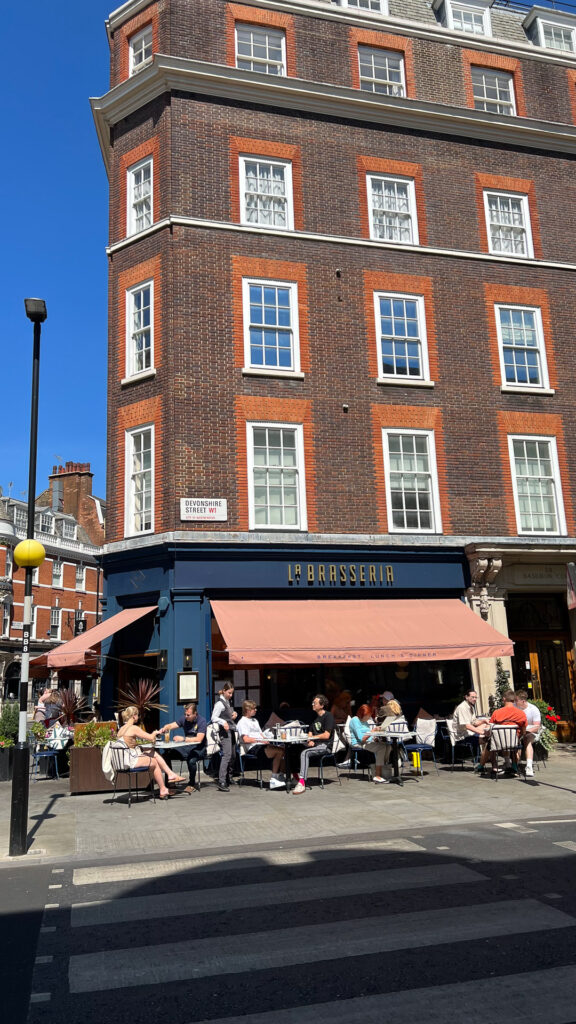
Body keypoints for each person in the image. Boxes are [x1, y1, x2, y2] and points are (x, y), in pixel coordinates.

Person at [116, 706, 187, 799]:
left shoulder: (121, 729)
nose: (138, 717)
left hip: (122, 760)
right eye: (138, 715)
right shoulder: (133, 728)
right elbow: (150, 737)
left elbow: (129, 743)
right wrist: (155, 732)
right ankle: (163, 789)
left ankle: (170, 775)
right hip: (129, 760)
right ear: (134, 716)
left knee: (152, 752)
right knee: (154, 762)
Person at [237, 700, 286, 789]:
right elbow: (246, 739)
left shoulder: (255, 720)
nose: (256, 710)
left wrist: (266, 739)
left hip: (261, 745)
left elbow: (261, 734)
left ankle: (280, 776)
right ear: (247, 710)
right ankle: (274, 779)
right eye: (253, 709)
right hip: (253, 747)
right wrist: (259, 740)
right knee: (279, 751)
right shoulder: (242, 722)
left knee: (283, 749)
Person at [293, 694, 335, 794]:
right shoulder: (315, 718)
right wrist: (310, 740)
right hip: (316, 745)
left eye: (315, 703)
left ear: (322, 705)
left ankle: (302, 783)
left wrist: (312, 738)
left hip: (326, 746)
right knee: (292, 749)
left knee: (305, 753)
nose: (313, 704)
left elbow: (326, 735)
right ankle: (294, 777)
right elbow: (310, 732)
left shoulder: (328, 716)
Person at [479, 690, 527, 776]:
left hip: (498, 743)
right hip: (513, 742)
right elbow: (524, 728)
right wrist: (521, 736)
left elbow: (491, 727)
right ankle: (515, 766)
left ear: (504, 699)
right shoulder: (521, 713)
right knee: (517, 746)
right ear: (514, 699)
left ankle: (481, 766)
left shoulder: (497, 712)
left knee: (489, 745)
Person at [162, 702, 207, 793]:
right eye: (185, 714)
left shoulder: (201, 721)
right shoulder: (184, 719)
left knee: (191, 760)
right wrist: (166, 727)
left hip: (199, 747)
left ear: (195, 714)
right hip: (186, 747)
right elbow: (173, 725)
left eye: (188, 715)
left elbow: (199, 739)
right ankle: (170, 783)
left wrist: (183, 738)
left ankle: (191, 784)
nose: (186, 716)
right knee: (166, 754)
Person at [349, 703, 388, 784]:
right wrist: (372, 731)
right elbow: (361, 738)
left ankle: (382, 769)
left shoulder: (365, 721)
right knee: (382, 748)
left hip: (367, 741)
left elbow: (368, 736)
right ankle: (377, 775)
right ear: (361, 714)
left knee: (388, 746)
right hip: (358, 743)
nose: (368, 718)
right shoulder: (355, 720)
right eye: (367, 716)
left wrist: (375, 736)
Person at [211, 682, 237, 793]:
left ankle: (228, 777)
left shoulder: (227, 701)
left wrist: (233, 715)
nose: (231, 695)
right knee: (227, 755)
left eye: (232, 693)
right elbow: (213, 717)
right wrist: (223, 722)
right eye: (229, 693)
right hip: (224, 732)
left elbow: (227, 716)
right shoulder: (219, 703)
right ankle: (222, 781)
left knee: (233, 755)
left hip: (231, 730)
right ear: (224, 691)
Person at [452, 689, 490, 755]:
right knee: (489, 739)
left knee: (487, 727)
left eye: (476, 697)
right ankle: (485, 758)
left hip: (469, 733)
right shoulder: (462, 708)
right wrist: (482, 732)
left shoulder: (471, 707)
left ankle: (485, 757)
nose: (475, 699)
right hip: (462, 736)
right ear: (466, 697)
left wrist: (484, 721)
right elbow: (467, 725)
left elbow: (474, 723)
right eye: (472, 697)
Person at [514, 690, 541, 777]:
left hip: (531, 731)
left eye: (516, 700)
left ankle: (529, 766)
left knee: (527, 739)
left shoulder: (533, 709)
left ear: (523, 701)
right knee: (514, 740)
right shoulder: (514, 707)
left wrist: (526, 732)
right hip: (518, 731)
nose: (515, 702)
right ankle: (515, 764)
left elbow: (537, 726)